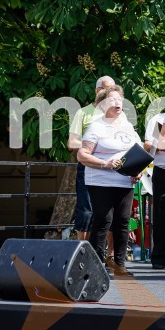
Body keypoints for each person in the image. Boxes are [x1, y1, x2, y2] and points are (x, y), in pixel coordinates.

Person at [76, 85, 142, 276]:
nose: (117, 103)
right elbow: (82, 155)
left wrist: (136, 170)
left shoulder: (127, 126)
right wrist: (105, 163)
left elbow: (138, 152)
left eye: (120, 100)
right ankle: (94, 265)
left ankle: (119, 265)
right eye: (112, 100)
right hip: (100, 180)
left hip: (124, 182)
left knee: (122, 222)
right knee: (103, 221)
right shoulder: (97, 126)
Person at [68, 75, 116, 241]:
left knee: (112, 210)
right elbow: (72, 142)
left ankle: (110, 257)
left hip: (112, 167)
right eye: (107, 89)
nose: (111, 93)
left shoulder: (117, 114)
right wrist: (94, 144)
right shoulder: (83, 113)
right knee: (86, 209)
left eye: (114, 89)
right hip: (88, 166)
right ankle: (83, 253)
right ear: (97, 91)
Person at [144, 88, 165, 270]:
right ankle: (159, 256)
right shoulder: (157, 119)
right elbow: (147, 143)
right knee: (162, 213)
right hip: (161, 169)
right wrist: (163, 145)